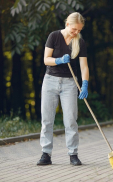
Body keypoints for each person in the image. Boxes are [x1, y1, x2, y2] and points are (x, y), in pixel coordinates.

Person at [37, 12, 89, 166]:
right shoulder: (54, 36)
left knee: (71, 120)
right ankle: (46, 154)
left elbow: (84, 66)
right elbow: (46, 59)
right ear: (67, 24)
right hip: (50, 81)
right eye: (74, 30)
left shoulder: (80, 42)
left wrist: (85, 83)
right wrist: (59, 60)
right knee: (47, 120)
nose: (76, 33)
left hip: (69, 84)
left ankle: (73, 154)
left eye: (79, 30)